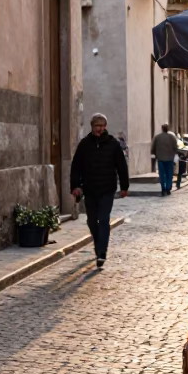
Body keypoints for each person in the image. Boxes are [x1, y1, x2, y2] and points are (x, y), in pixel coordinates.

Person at [71, 113, 129, 270]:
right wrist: (75, 186)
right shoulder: (84, 145)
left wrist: (124, 186)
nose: (100, 129)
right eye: (98, 126)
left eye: (103, 126)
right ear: (92, 127)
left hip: (107, 189)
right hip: (89, 189)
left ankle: (102, 252)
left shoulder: (113, 144)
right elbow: (76, 166)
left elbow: (121, 166)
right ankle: (98, 245)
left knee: (103, 219)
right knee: (91, 221)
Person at [152, 124, 178, 196]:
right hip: (170, 159)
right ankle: (168, 188)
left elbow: (153, 148)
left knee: (162, 175)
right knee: (169, 174)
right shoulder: (172, 137)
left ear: (162, 129)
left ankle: (163, 188)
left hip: (160, 158)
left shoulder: (157, 137)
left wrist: (156, 154)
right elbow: (175, 147)